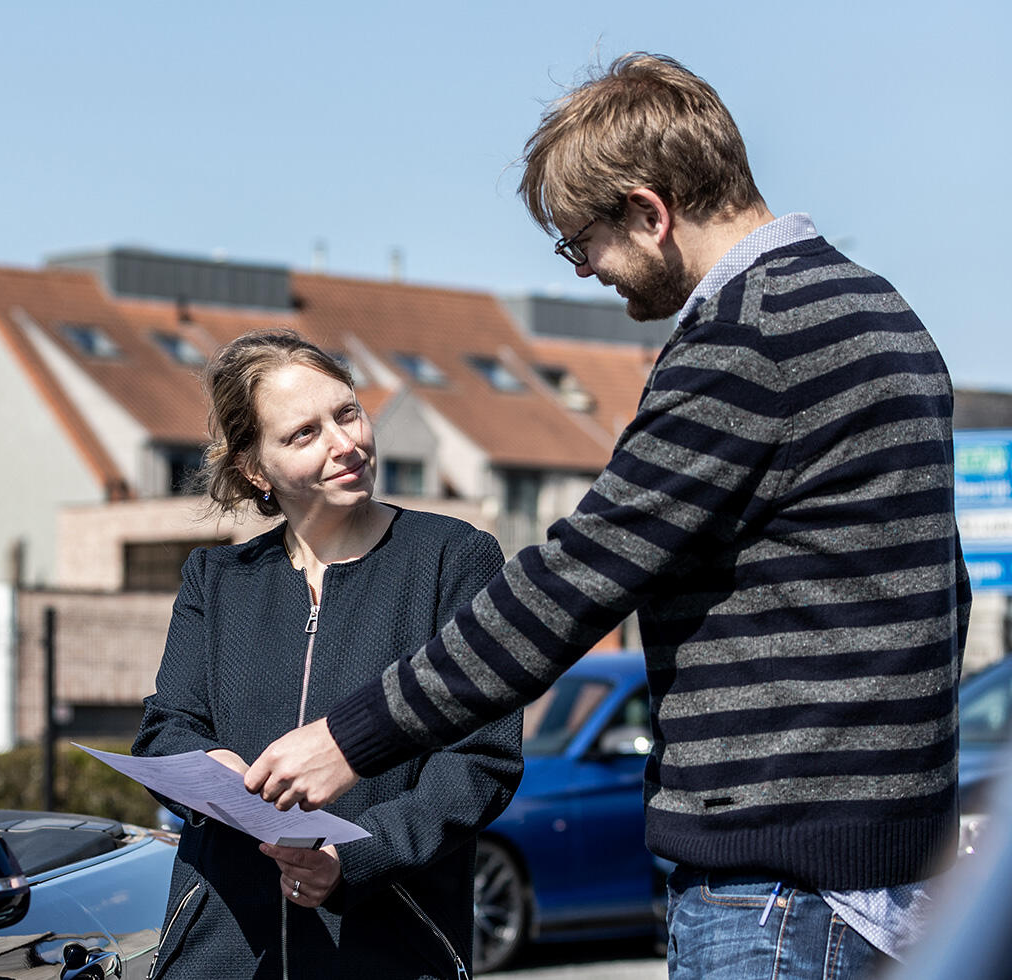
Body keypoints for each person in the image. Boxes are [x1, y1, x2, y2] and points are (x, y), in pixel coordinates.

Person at [245, 53, 970, 979]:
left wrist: (349, 738)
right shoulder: (882, 314)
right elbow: (943, 596)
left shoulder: (745, 341)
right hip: (888, 882)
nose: (584, 269)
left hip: (777, 887)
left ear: (649, 212)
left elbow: (569, 586)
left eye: (578, 240)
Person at [132, 328, 522, 979]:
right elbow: (164, 728)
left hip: (391, 944)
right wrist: (210, 768)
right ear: (256, 468)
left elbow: (479, 760)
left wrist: (357, 860)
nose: (346, 444)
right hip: (223, 952)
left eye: (347, 413)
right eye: (303, 434)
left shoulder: (454, 559)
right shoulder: (216, 579)